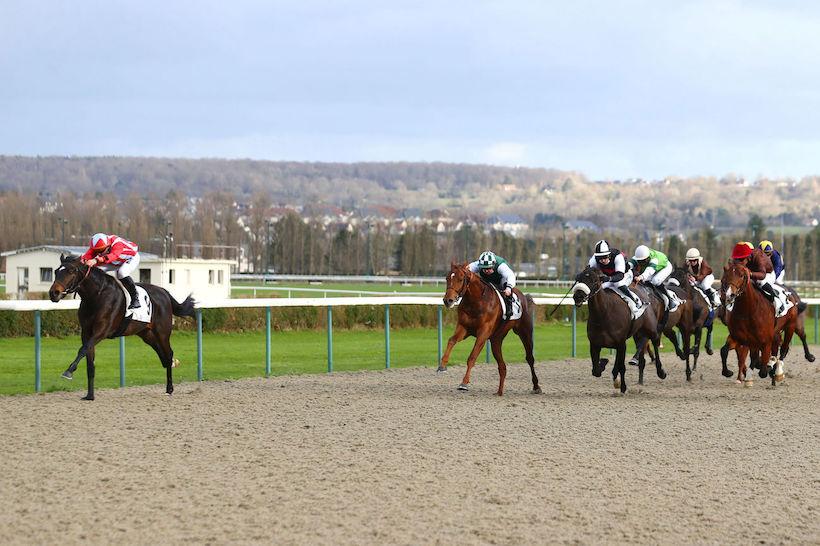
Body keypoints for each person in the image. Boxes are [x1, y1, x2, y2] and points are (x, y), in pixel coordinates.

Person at [81, 232, 142, 309]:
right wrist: (81, 261)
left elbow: (113, 256)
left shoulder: (117, 243)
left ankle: (135, 299)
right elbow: (86, 257)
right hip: (114, 261)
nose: (99, 253)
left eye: (101, 250)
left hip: (130, 258)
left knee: (122, 273)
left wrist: (96, 260)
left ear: (108, 245)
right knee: (97, 270)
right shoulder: (97, 247)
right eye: (97, 251)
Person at [729, 242, 790, 316]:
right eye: (737, 259)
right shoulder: (742, 258)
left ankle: (777, 300)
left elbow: (762, 275)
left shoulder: (758, 256)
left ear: (747, 256)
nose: (739, 262)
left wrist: (750, 274)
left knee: (760, 281)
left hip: (768, 274)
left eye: (741, 260)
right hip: (754, 272)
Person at [589, 239, 644, 315]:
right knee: (600, 287)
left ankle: (636, 301)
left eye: (605, 257)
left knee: (618, 284)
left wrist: (608, 279)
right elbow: (589, 272)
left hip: (625, 275)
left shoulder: (617, 256)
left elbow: (620, 276)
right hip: (611, 277)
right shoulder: (593, 260)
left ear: (609, 254)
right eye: (600, 258)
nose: (603, 260)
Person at [630, 245, 682, 312]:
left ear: (647, 257)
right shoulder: (637, 258)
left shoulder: (654, 260)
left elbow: (649, 271)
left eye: (643, 260)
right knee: (645, 280)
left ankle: (670, 299)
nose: (641, 262)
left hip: (665, 267)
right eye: (640, 261)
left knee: (655, 281)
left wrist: (641, 277)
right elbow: (629, 265)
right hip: (653, 268)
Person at [468, 250, 516, 320]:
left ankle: (509, 308)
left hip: (501, 279)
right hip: (487, 279)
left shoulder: (501, 266)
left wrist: (508, 288)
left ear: (494, 264)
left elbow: (510, 275)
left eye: (489, 268)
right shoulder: (478, 264)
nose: (487, 270)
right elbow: (466, 269)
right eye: (484, 268)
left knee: (505, 287)